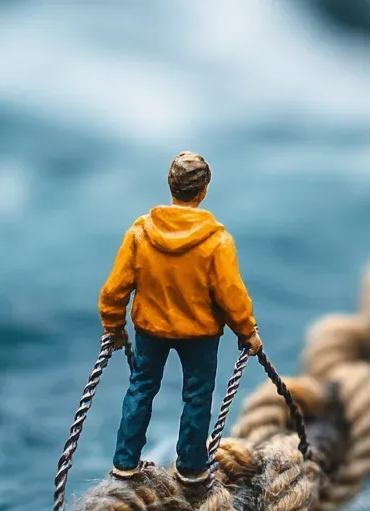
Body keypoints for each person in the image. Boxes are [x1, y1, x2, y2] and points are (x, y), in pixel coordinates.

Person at [98, 151, 262, 486]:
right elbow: (231, 294)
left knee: (140, 389)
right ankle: (190, 468)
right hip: (199, 335)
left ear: (170, 185)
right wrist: (247, 332)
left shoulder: (139, 233)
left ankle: (125, 463)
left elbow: (115, 289)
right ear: (204, 190)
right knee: (197, 397)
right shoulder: (217, 241)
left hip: (150, 330)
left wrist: (114, 327)